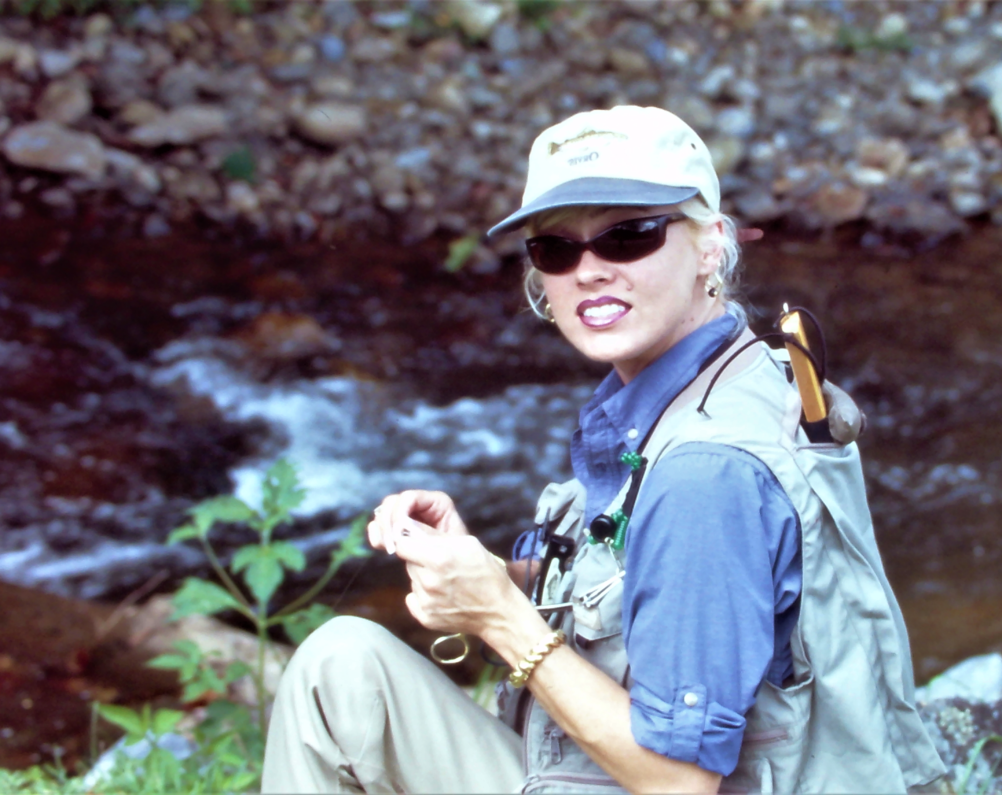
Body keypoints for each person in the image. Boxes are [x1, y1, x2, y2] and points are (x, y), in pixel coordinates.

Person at [262, 106, 943, 794]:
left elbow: (679, 781)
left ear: (711, 245)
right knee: (345, 666)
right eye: (556, 249)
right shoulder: (738, 373)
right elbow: (650, 585)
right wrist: (491, 574)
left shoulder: (704, 473)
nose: (588, 271)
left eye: (628, 236)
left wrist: (498, 616)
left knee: (333, 671)